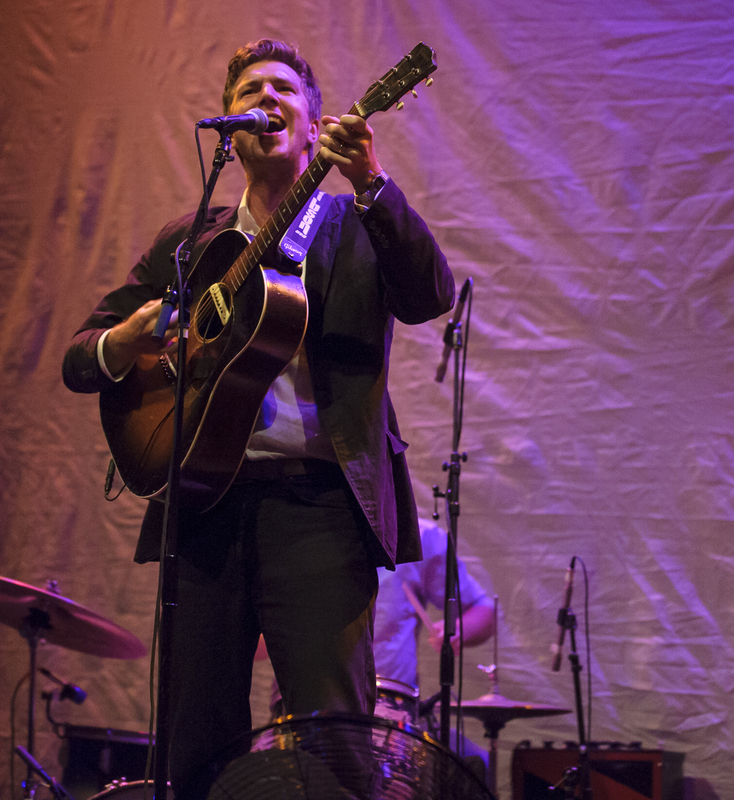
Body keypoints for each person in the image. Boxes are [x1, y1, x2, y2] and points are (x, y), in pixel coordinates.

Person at [61, 38, 454, 800]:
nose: (265, 98)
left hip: (319, 509)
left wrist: (371, 180)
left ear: (314, 126)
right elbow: (83, 358)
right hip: (203, 508)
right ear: (229, 125)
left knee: (335, 736)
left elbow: (429, 293)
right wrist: (130, 338)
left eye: (283, 88)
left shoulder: (352, 223)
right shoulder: (188, 243)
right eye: (249, 89)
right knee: (192, 735)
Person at [374, 517, 495, 770]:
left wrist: (457, 630)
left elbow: (483, 612)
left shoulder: (416, 533)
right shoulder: (302, 524)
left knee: (472, 763)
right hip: (305, 698)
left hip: (391, 705)